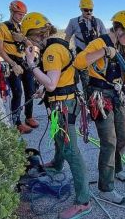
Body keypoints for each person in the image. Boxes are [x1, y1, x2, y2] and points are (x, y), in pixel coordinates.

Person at [74, 10, 125, 204]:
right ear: (119, 28)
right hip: (100, 97)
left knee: (123, 136)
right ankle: (106, 187)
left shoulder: (120, 47)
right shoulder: (100, 43)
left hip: (116, 96)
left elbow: (124, 77)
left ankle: (117, 169)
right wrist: (105, 51)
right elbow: (79, 62)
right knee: (109, 142)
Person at [22, 12, 91, 219]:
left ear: (36, 34)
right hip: (62, 102)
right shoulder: (55, 46)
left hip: (63, 106)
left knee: (72, 150)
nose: (30, 42)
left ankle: (83, 202)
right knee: (58, 136)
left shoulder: (51, 52)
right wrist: (44, 89)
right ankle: (57, 163)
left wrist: (31, 64)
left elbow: (51, 82)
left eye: (30, 38)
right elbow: (57, 80)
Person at [0, 0, 39, 133]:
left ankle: (29, 116)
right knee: (17, 92)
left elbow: (31, 45)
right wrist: (12, 64)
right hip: (11, 61)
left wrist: (22, 38)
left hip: (23, 59)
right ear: (12, 12)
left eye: (23, 14)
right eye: (19, 14)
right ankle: (17, 123)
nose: (21, 16)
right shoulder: (2, 27)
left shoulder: (23, 28)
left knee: (30, 90)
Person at [65, 0, 106, 94]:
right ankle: (88, 104)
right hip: (82, 56)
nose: (89, 12)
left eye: (91, 10)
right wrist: (65, 52)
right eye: (86, 10)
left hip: (96, 56)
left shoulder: (98, 22)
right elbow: (67, 38)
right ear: (81, 9)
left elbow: (105, 38)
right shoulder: (73, 22)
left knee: (99, 81)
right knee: (86, 83)